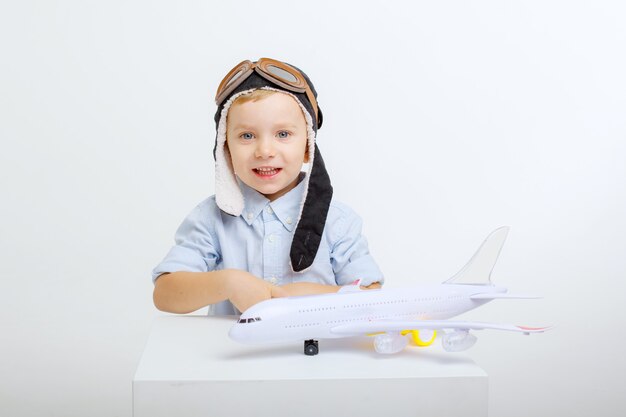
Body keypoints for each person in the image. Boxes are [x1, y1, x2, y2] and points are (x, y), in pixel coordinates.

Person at [152, 58, 384, 315]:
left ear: (308, 147)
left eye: (282, 134)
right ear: (225, 149)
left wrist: (304, 296)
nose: (264, 151)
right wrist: (229, 283)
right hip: (237, 354)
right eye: (247, 136)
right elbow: (165, 295)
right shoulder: (211, 219)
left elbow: (371, 297)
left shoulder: (338, 223)